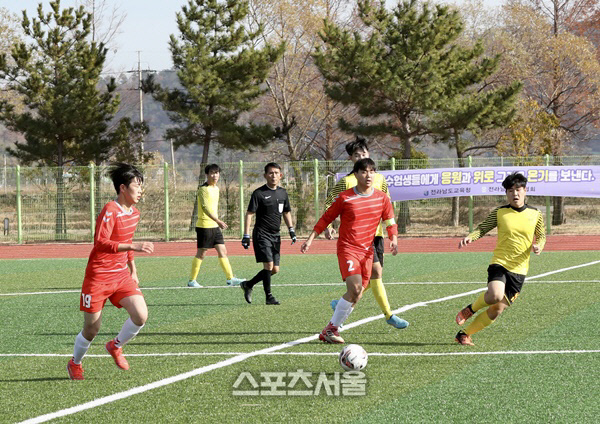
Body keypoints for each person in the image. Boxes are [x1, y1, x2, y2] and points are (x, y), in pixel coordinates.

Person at [67, 163, 154, 380]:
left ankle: (115, 346)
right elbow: (100, 243)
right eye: (137, 185)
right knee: (91, 329)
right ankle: (75, 363)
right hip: (98, 277)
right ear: (123, 188)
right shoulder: (110, 209)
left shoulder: (134, 213)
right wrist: (132, 248)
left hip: (121, 276)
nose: (141, 190)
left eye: (142, 185)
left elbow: (127, 241)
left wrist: (133, 269)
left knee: (140, 315)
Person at [301, 158, 399, 344]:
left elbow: (390, 221)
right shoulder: (345, 197)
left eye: (372, 171)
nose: (368, 175)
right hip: (348, 249)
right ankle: (331, 329)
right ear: (356, 174)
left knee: (358, 294)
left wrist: (393, 238)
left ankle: (330, 330)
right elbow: (326, 218)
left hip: (368, 251)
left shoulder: (382, 198)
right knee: (354, 289)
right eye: (364, 171)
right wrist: (310, 239)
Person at [454, 172, 546, 346]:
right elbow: (483, 228)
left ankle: (463, 335)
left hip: (520, 270)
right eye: (510, 190)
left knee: (497, 310)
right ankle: (470, 309)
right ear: (506, 193)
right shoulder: (500, 212)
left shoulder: (536, 214)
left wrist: (539, 246)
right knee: (495, 294)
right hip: (500, 263)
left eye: (518, 189)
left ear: (525, 190)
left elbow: (541, 236)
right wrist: (470, 237)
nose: (515, 194)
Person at [325, 137, 408, 329]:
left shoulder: (379, 178)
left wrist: (390, 230)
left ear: (369, 155)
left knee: (374, 274)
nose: (360, 157)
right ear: (350, 159)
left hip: (376, 233)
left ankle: (342, 304)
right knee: (376, 273)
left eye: (363, 153)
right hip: (356, 239)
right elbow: (330, 202)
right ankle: (388, 314)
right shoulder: (346, 182)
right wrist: (330, 226)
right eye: (356, 155)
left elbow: (387, 201)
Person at [240, 162, 296, 305]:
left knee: (275, 269)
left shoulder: (283, 193)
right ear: (265, 175)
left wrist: (291, 230)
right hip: (261, 234)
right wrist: (246, 235)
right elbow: (249, 214)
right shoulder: (258, 193)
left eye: (276, 173)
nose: (273, 176)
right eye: (270, 173)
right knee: (269, 266)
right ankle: (269, 297)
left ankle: (249, 284)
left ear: (281, 175)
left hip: (275, 235)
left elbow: (286, 212)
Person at [188, 164, 245, 288]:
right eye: (212, 173)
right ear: (207, 174)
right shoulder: (203, 189)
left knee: (223, 251)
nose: (215, 175)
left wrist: (217, 222)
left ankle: (231, 279)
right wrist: (218, 221)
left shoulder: (216, 189)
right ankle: (192, 281)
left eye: (217, 173)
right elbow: (205, 208)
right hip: (204, 226)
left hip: (215, 226)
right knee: (202, 253)